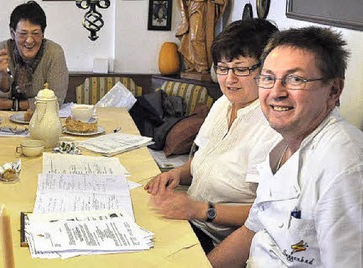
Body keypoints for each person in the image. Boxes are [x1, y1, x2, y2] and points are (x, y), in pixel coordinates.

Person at [208, 27, 362, 267]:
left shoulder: (345, 166)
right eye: (268, 78)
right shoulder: (284, 144)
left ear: (333, 90)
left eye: (295, 79)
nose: (276, 93)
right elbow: (251, 230)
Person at [144, 19, 281, 253]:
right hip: (189, 221)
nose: (229, 79)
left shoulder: (272, 125)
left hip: (217, 239)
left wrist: (199, 209)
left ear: (266, 70)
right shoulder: (223, 104)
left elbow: (267, 213)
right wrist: (178, 173)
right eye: (222, 68)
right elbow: (202, 159)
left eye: (240, 69)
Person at [0, 0, 68, 111]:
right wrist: (2, 75)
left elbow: (56, 101)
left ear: (43, 33)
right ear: (12, 33)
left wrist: (12, 105)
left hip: (42, 119)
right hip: (7, 120)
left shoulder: (54, 52)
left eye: (35, 33)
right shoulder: (2, 50)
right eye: (23, 34)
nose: (29, 40)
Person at [175, 0, 228, 74]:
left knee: (196, 38)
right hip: (192, 6)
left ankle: (203, 66)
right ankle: (194, 65)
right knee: (190, 38)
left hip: (203, 6)